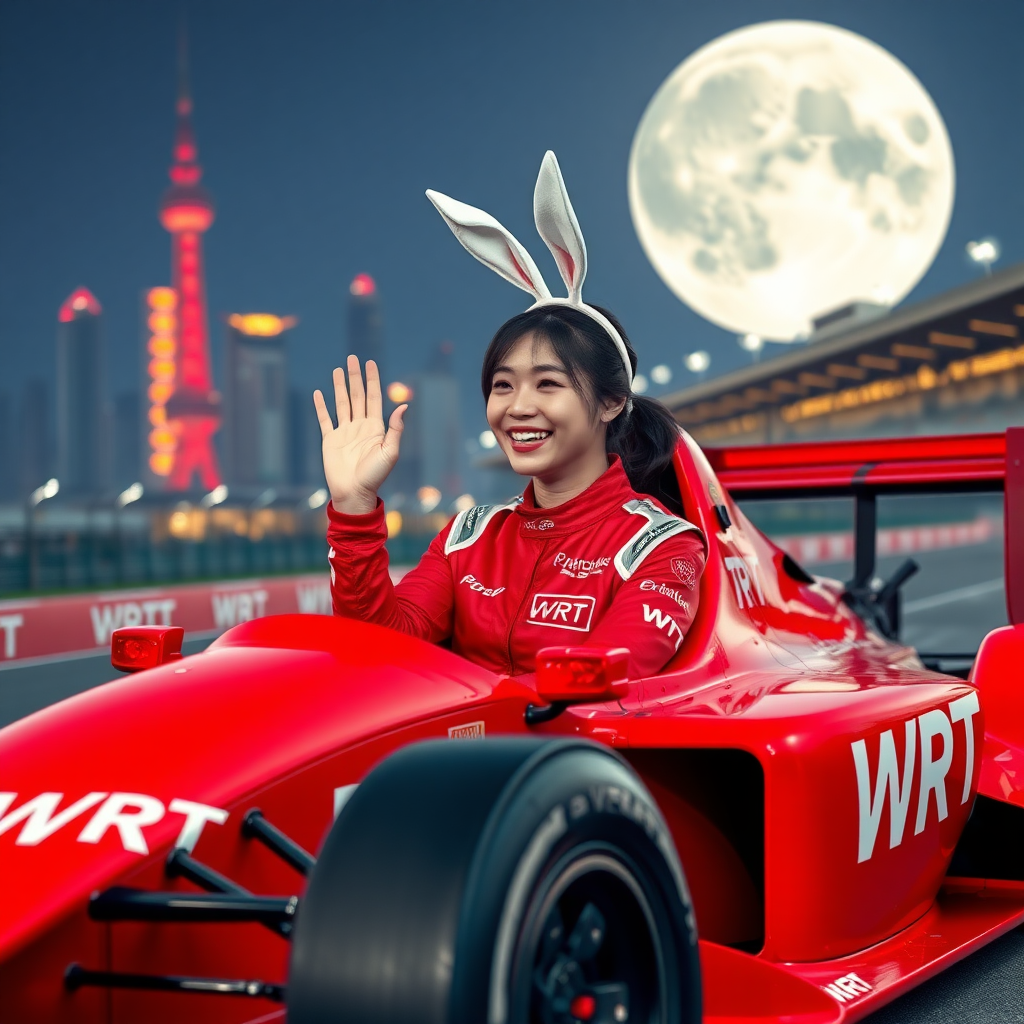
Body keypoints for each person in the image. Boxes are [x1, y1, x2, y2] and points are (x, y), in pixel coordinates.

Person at [313, 152, 705, 680]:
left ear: (611, 402)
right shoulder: (469, 535)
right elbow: (382, 649)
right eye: (503, 385)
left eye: (548, 383)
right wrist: (354, 508)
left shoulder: (660, 547)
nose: (517, 407)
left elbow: (593, 684)